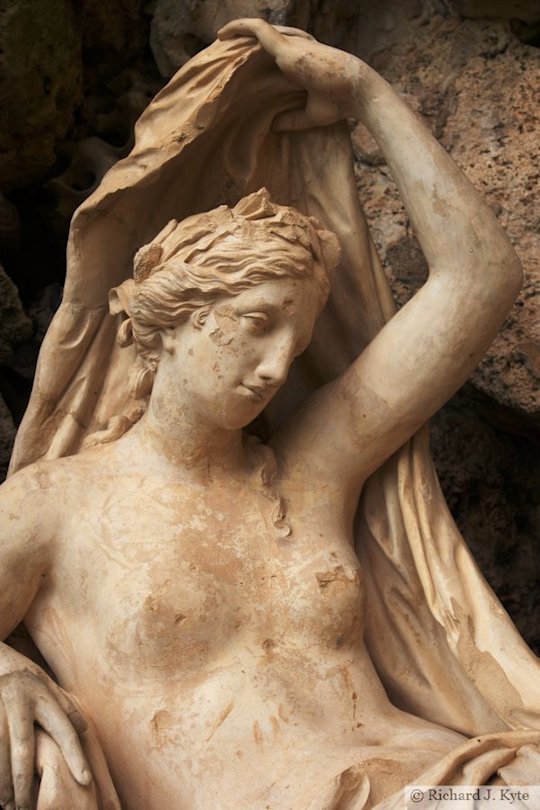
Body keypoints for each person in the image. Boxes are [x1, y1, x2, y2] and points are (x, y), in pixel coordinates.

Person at [1, 19, 539, 810]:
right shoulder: (54, 504)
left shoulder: (314, 466)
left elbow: (480, 279)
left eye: (299, 339)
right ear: (168, 321)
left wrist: (366, 94)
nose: (278, 366)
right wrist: (7, 673)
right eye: (257, 327)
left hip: (436, 788)